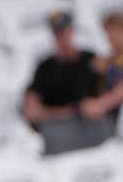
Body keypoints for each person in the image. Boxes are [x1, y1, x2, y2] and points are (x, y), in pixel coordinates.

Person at [23, 10, 111, 155]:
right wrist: (73, 111)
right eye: (57, 33)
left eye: (65, 31)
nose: (62, 37)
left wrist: (98, 105)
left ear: (72, 31)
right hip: (60, 132)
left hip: (93, 126)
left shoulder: (91, 59)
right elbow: (32, 112)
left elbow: (110, 93)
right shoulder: (44, 68)